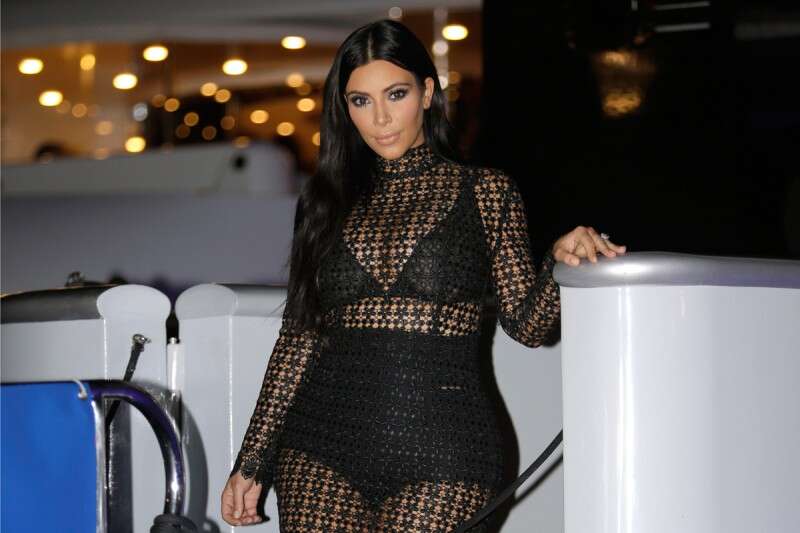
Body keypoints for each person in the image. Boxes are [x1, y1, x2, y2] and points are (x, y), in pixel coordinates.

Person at [221, 19, 626, 532]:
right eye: (361, 101)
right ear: (344, 108)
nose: (380, 118)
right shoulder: (323, 202)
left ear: (428, 92)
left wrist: (558, 264)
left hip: (444, 452)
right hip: (319, 450)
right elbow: (300, 336)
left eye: (396, 94)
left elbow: (528, 327)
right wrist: (252, 461)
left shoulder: (486, 192)